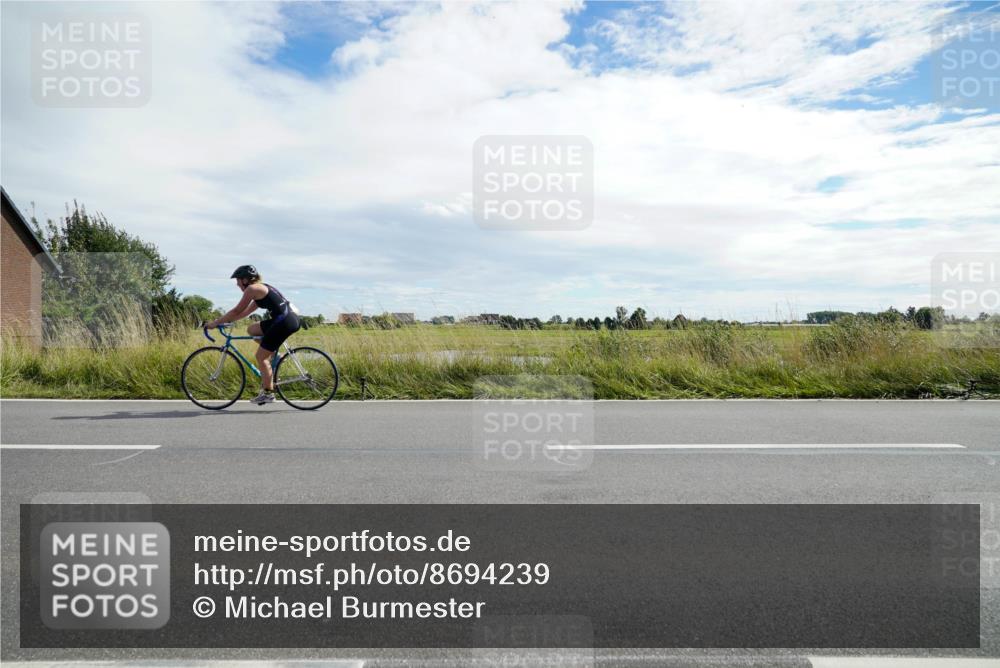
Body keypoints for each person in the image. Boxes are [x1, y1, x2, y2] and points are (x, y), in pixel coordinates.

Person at [205, 265, 300, 405]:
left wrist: (215, 323)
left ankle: (268, 394)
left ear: (245, 279)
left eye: (238, 281)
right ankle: (275, 356)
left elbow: (236, 310)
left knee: (261, 357)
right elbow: (243, 313)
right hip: (286, 319)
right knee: (252, 330)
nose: (237, 284)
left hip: (284, 322)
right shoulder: (260, 289)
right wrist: (226, 322)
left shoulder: (252, 289)